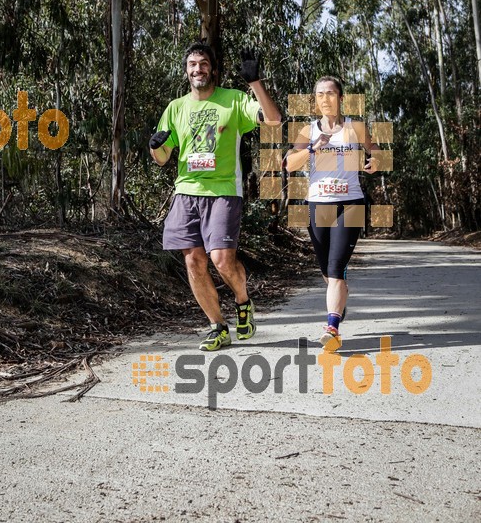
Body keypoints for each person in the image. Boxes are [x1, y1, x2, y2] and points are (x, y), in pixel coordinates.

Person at [150, 42, 281, 352]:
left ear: (213, 69)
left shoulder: (233, 101)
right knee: (194, 261)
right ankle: (217, 327)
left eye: (204, 63)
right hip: (187, 192)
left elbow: (274, 120)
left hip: (223, 190)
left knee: (222, 261)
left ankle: (243, 301)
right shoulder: (176, 108)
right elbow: (163, 158)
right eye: (193, 64)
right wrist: (155, 145)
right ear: (186, 71)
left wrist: (254, 82)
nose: (199, 69)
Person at [285, 76, 381, 349]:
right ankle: (338, 302)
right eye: (319, 94)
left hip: (350, 203)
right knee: (328, 272)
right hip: (317, 203)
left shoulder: (355, 128)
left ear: (341, 98)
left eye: (330, 93)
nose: (325, 98)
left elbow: (377, 153)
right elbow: (290, 165)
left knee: (336, 269)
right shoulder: (308, 131)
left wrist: (374, 162)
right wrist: (312, 151)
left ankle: (332, 328)